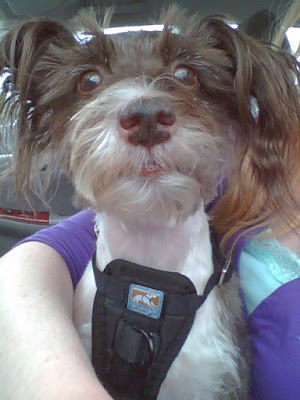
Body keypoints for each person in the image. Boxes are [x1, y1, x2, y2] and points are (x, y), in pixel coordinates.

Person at [0, 2, 299, 400]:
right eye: (89, 82)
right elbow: (34, 261)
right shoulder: (235, 197)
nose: (146, 112)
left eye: (186, 77)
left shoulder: (237, 190)